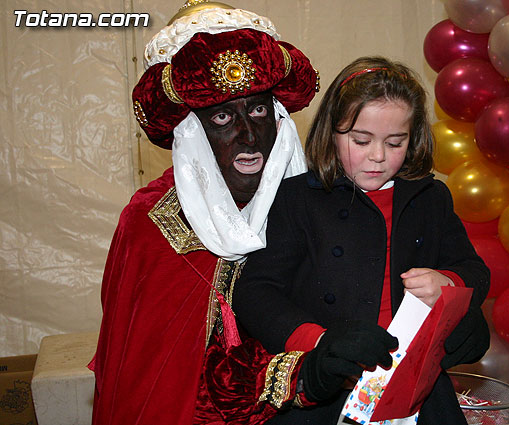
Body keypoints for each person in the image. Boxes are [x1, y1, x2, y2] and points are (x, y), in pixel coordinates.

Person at [90, 3, 398, 425]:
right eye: (222, 117)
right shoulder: (155, 222)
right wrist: (302, 375)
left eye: (258, 111)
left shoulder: (315, 197)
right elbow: (170, 382)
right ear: (193, 133)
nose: (248, 135)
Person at [233, 56, 491, 424]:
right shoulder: (297, 198)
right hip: (324, 388)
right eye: (361, 140)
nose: (378, 156)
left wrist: (450, 283)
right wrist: (319, 342)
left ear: (414, 138)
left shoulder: (430, 198)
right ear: (332, 133)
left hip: (414, 388)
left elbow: (474, 270)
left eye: (395, 142)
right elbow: (256, 293)